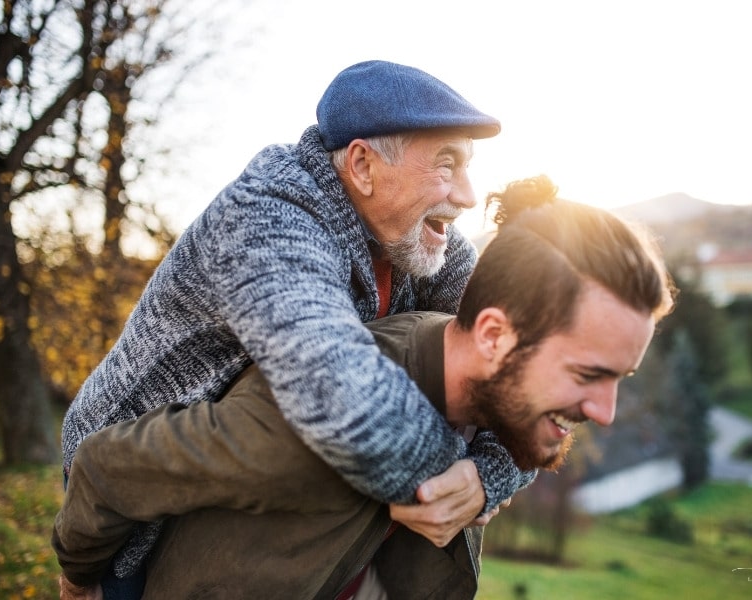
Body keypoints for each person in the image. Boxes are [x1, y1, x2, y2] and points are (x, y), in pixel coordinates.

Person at [53, 175, 677, 599]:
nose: (607, 411)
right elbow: (108, 467)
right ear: (492, 337)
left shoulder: (489, 394)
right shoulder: (314, 422)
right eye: (587, 375)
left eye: (618, 378)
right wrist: (82, 580)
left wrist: (489, 475)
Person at [59, 60, 528, 598]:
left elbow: (525, 365)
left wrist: (486, 477)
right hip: (134, 481)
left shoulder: (419, 236)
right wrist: (458, 481)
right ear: (362, 164)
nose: (469, 195)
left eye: (467, 167)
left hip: (251, 480)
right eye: (447, 164)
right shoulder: (267, 216)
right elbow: (340, 393)